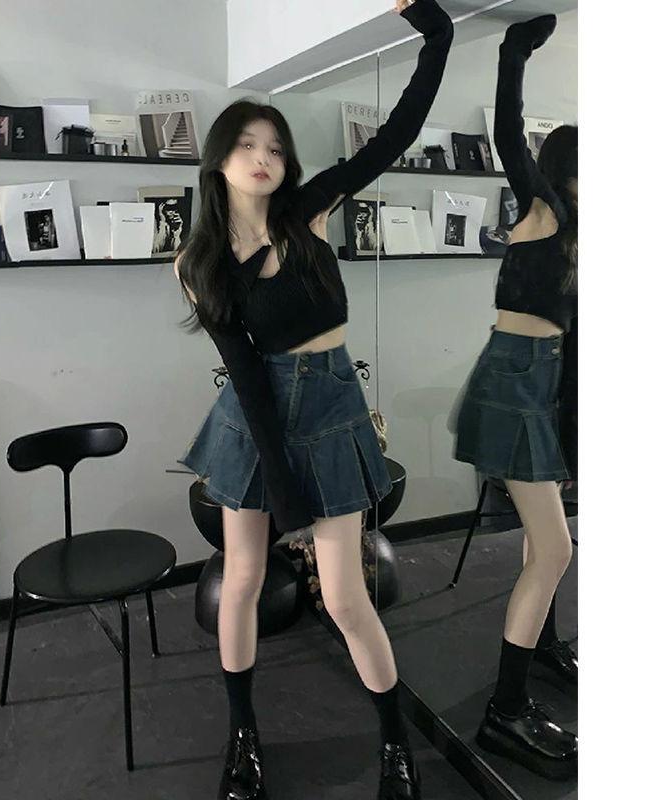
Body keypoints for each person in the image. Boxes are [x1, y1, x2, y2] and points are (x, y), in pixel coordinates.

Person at [174, 2, 453, 797]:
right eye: (246, 144)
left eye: (275, 147)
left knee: (345, 596)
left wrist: (433, 31)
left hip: (331, 405)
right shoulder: (200, 263)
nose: (263, 157)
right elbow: (246, 375)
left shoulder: (309, 211)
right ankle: (243, 738)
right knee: (243, 580)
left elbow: (396, 134)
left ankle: (395, 746)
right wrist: (282, 488)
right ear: (219, 159)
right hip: (256, 418)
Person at [452, 14, 578, 781]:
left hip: (544, 384)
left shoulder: (580, 232)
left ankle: (546, 648)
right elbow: (507, 135)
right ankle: (505, 710)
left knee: (547, 537)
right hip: (515, 385)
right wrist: (513, 54)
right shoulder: (546, 211)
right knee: (557, 548)